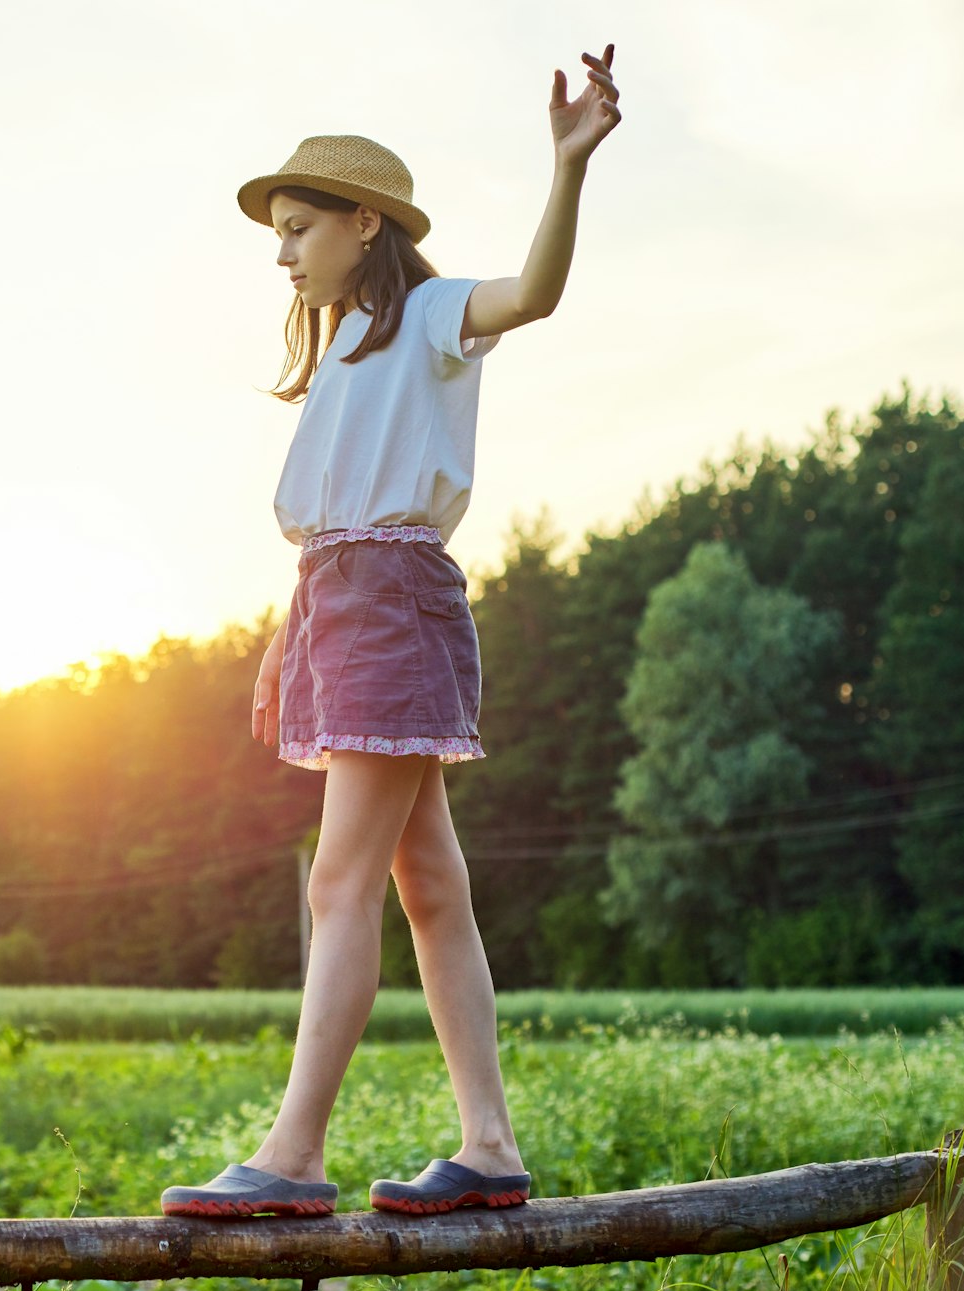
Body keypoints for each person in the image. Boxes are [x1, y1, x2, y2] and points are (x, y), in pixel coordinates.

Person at [160, 45, 621, 1220]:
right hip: (341, 606)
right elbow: (328, 529)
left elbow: (534, 295)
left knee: (338, 881)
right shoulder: (335, 361)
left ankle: (294, 1156)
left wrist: (566, 166)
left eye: (298, 227)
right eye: (275, 233)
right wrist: (288, 639)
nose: (280, 251)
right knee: (428, 886)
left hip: (393, 605)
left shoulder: (423, 318)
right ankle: (489, 1145)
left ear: (365, 223)